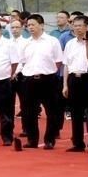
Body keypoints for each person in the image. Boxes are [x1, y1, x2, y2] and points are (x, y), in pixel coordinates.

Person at [19, 14, 63, 149]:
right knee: (29, 112)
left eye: (33, 24)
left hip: (48, 79)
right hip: (29, 80)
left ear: (42, 25)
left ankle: (49, 140)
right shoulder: (26, 43)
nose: (30, 27)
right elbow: (23, 61)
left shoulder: (52, 41)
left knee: (51, 111)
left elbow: (58, 61)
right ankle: (32, 140)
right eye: (29, 25)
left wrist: (49, 72)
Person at [61, 15, 88, 153]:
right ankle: (78, 143)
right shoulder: (70, 44)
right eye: (75, 25)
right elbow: (66, 65)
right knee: (75, 112)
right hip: (73, 79)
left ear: (86, 26)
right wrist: (65, 84)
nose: (77, 28)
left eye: (80, 25)